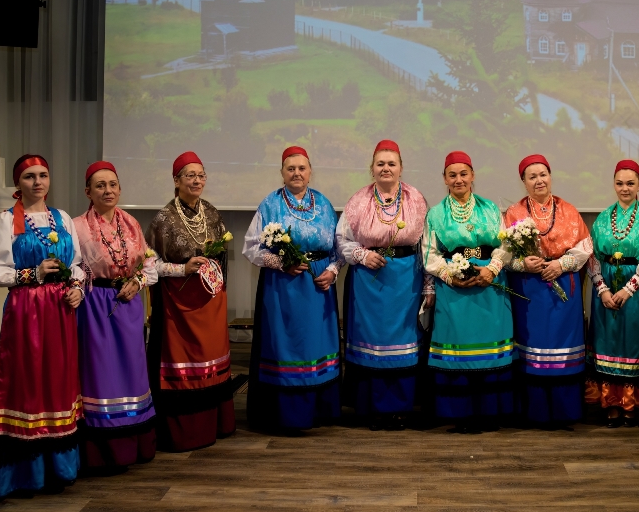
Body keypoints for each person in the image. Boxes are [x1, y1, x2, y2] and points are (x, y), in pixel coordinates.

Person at [0, 154, 85, 499]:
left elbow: (78, 264)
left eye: (42, 175)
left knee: (57, 383)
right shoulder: (5, 221)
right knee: (27, 383)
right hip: (26, 312)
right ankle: (25, 474)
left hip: (61, 313)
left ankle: (59, 470)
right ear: (18, 184)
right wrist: (32, 274)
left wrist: (76, 289)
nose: (37, 182)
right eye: (29, 177)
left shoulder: (63, 218)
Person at [243, 146, 342, 433]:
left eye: (301, 168)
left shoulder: (323, 203)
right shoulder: (269, 204)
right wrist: (279, 262)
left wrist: (332, 271)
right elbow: (250, 247)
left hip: (317, 289)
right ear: (282, 172)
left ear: (310, 171)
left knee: (316, 346)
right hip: (282, 289)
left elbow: (339, 248)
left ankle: (319, 411)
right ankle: (286, 415)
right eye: (290, 168)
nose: (296, 173)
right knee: (285, 348)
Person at [337, 140, 430, 431]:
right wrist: (363, 255)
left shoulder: (416, 198)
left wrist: (429, 286)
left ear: (401, 168)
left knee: (403, 344)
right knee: (371, 344)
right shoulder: (358, 201)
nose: (386, 168)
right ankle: (370, 408)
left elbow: (427, 246)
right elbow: (341, 241)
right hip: (368, 282)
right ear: (372, 168)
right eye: (380, 163)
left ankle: (401, 408)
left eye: (391, 163)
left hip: (406, 282)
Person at [145, 151, 235, 451]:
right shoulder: (163, 219)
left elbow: (222, 257)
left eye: (201, 175)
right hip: (177, 307)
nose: (196, 180)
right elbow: (149, 265)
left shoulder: (211, 212)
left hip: (209, 302)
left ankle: (216, 425)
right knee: (183, 369)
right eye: (189, 175)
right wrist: (181, 269)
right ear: (176, 180)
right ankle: (185, 433)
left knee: (212, 365)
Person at [73, 161, 158, 471]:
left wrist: (138, 281)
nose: (107, 190)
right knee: (101, 373)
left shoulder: (132, 223)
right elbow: (76, 268)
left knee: (132, 372)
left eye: (112, 184)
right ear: (88, 192)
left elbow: (148, 265)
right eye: (100, 185)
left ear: (120, 189)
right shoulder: (77, 226)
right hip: (96, 306)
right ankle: (103, 450)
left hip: (129, 303)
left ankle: (136, 444)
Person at [421, 151, 513, 433]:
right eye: (452, 175)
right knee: (458, 349)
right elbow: (429, 253)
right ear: (444, 179)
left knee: (489, 347)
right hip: (454, 291)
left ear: (472, 175)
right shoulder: (436, 213)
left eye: (463, 174)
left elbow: (505, 245)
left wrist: (492, 269)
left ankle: (490, 413)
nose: (458, 179)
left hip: (490, 288)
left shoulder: (490, 209)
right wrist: (450, 275)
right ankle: (459, 414)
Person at [503, 154, 592, 428]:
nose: (539, 180)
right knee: (532, 349)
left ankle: (566, 412)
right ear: (523, 182)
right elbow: (504, 256)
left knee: (563, 348)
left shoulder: (569, 210)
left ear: (550, 176)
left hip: (563, 288)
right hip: (529, 291)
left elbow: (585, 247)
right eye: (532, 177)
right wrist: (524, 263)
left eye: (543, 174)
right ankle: (535, 412)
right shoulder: (514, 214)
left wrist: (561, 264)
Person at [584, 159, 639, 428]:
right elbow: (592, 255)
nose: (625, 188)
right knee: (608, 343)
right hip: (605, 291)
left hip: (636, 292)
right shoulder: (604, 217)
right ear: (613, 184)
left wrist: (629, 290)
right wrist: (602, 289)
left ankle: (632, 406)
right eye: (619, 183)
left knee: (633, 343)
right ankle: (611, 405)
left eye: (630, 183)